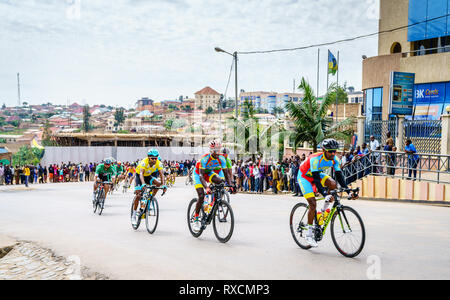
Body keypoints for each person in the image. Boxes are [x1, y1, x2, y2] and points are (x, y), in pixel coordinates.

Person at [297, 138, 358, 247]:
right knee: (312, 203)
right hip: (304, 177)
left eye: (335, 151)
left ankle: (323, 211)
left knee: (333, 183)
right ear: (324, 150)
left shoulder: (335, 159)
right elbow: (315, 179)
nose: (333, 153)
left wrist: (348, 191)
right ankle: (309, 235)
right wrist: (325, 194)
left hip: (316, 174)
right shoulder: (315, 159)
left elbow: (340, 176)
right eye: (330, 151)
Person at [191, 140, 234, 231]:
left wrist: (230, 185)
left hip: (209, 173)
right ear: (211, 150)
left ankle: (213, 203)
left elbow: (226, 173)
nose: (218, 152)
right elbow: (201, 175)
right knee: (201, 195)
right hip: (198, 174)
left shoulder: (222, 158)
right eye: (216, 150)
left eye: (219, 150)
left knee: (221, 182)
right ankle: (196, 219)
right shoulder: (205, 158)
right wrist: (206, 187)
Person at [131, 149, 167, 225]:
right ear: (148, 157)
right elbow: (141, 174)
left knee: (158, 183)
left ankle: (151, 198)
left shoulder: (158, 163)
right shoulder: (144, 162)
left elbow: (161, 174)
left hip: (147, 176)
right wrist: (143, 184)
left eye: (155, 158)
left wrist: (163, 185)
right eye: (152, 158)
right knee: (138, 195)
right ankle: (134, 215)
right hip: (139, 176)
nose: (154, 160)